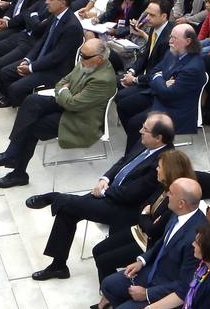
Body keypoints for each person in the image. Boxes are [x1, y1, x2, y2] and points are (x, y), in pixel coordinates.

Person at [26, 112, 174, 281]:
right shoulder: (145, 144)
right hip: (111, 194)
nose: (140, 130)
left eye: (145, 129)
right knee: (67, 210)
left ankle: (53, 197)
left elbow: (132, 194)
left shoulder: (164, 162)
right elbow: (124, 161)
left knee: (66, 204)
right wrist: (106, 178)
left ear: (158, 138)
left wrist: (104, 191)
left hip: (124, 208)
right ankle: (58, 266)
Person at [0, 37, 114, 187]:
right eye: (81, 54)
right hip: (69, 106)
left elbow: (72, 103)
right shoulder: (88, 62)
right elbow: (61, 82)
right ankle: (11, 153)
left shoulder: (102, 80)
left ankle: (18, 173)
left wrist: (65, 91)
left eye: (85, 56)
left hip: (80, 121)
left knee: (33, 126)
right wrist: (66, 91)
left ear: (99, 59)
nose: (80, 58)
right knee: (32, 101)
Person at [101, 177, 207, 309]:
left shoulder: (195, 237)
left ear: (182, 203)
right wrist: (141, 261)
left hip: (167, 287)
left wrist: (147, 294)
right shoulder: (178, 214)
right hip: (154, 270)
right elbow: (162, 243)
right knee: (109, 285)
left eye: (170, 193)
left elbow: (184, 284)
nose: (166, 195)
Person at [0, 0, 84, 108]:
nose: (46, 2)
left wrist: (31, 68)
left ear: (62, 3)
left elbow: (56, 57)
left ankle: (28, 108)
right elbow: (42, 41)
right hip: (43, 61)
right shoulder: (55, 16)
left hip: (56, 71)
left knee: (15, 88)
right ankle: (15, 100)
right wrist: (27, 59)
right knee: (5, 72)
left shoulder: (72, 26)